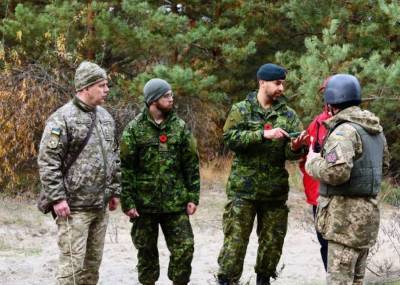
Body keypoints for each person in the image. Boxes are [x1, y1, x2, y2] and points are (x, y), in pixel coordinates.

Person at [217, 63, 306, 285]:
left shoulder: (288, 114)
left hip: (274, 193)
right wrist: (262, 135)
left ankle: (263, 279)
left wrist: (296, 147)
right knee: (235, 243)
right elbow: (230, 139)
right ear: (262, 83)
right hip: (243, 191)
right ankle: (227, 281)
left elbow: (292, 153)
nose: (281, 88)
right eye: (277, 83)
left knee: (272, 243)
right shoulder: (241, 109)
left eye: (283, 84)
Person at [37, 61, 121, 284]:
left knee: (92, 268)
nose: (106, 90)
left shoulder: (105, 117)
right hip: (74, 209)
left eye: (106, 85)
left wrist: (114, 191)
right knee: (71, 270)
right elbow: (48, 161)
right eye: (101, 85)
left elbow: (114, 157)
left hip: (99, 207)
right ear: (85, 88)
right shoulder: (62, 118)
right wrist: (57, 198)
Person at [305, 74, 390, 284]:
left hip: (344, 221)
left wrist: (312, 161)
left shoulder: (343, 132)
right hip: (366, 218)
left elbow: (336, 172)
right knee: (357, 280)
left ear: (332, 103)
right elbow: (384, 165)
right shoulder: (375, 130)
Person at [120, 78, 200, 285]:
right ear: (153, 100)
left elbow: (191, 164)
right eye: (166, 95)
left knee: (185, 249)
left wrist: (193, 196)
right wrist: (127, 201)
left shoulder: (180, 127)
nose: (171, 98)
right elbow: (126, 168)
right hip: (144, 205)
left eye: (171, 94)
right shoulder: (134, 129)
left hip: (176, 204)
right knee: (146, 253)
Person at [298, 77, 331, 271]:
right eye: (325, 93)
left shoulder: (353, 123)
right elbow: (306, 158)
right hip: (318, 196)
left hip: (341, 196)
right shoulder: (318, 123)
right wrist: (298, 147)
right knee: (325, 244)